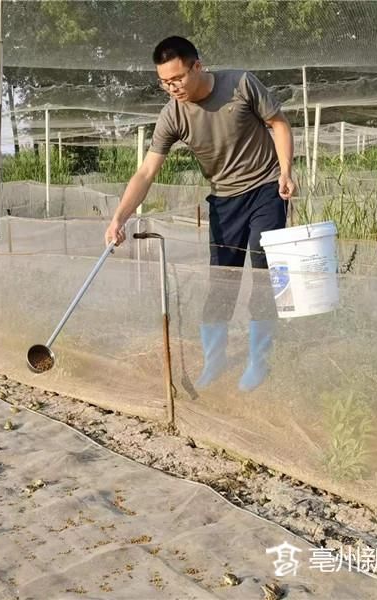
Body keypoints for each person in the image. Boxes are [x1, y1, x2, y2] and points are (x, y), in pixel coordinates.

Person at [104, 36, 295, 392]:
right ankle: (215, 360)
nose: (171, 87)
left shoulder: (240, 84)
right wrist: (119, 218)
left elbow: (279, 124)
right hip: (224, 200)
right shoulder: (172, 115)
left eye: (177, 78)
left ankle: (259, 359)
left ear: (197, 66)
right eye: (164, 82)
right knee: (222, 280)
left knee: (264, 264)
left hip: (266, 187)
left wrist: (285, 171)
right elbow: (146, 172)